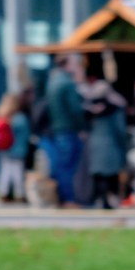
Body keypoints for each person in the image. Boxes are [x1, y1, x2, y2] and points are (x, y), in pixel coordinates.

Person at [45, 53, 87, 206]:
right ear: (67, 64)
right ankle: (68, 199)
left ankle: (61, 198)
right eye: (75, 63)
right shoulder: (67, 83)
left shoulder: (53, 81)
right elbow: (75, 109)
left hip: (58, 129)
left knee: (61, 165)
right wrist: (82, 128)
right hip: (69, 129)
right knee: (68, 167)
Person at [80, 79, 128, 209]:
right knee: (110, 175)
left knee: (98, 175)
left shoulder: (88, 107)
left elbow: (84, 126)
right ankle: (108, 200)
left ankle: (98, 199)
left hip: (94, 144)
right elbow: (120, 130)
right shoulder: (115, 108)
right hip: (110, 144)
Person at [0, 93, 30, 202]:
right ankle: (20, 193)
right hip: (17, 148)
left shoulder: (1, 115)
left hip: (5, 148)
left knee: (5, 171)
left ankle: (3, 192)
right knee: (17, 172)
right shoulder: (19, 117)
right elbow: (25, 134)